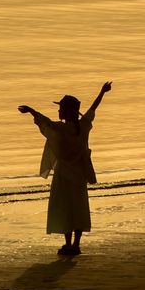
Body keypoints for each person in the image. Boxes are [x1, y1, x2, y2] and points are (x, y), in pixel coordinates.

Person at [18, 81, 112, 255]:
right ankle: (76, 244)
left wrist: (31, 111)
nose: (58, 111)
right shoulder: (82, 127)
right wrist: (102, 92)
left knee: (64, 207)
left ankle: (68, 244)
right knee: (78, 207)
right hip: (79, 174)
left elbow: (45, 122)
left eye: (60, 108)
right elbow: (93, 110)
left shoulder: (61, 128)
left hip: (63, 174)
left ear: (66, 112)